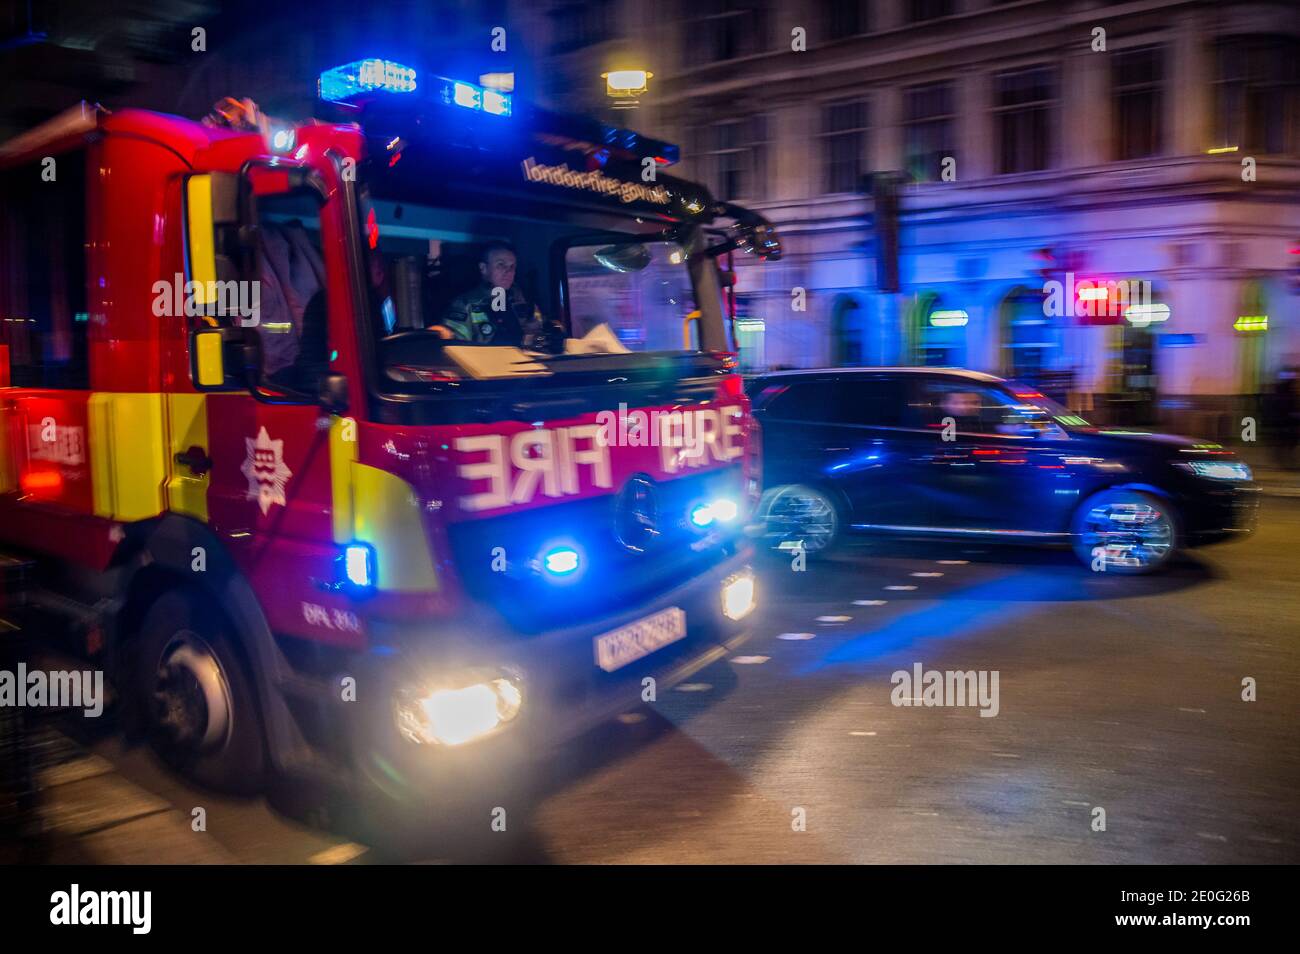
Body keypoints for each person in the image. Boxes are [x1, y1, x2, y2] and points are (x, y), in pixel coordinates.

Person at [430, 241, 561, 350]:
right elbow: (454, 343)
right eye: (501, 265)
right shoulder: (466, 304)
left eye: (512, 267)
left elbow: (539, 331)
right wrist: (443, 334)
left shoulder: (523, 299)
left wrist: (543, 332)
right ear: (483, 269)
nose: (508, 272)